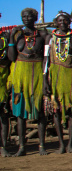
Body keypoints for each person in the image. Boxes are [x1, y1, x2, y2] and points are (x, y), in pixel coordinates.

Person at [8, 8, 48, 156]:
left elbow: (46, 59)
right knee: (20, 114)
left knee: (40, 112)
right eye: (23, 16)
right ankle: (22, 147)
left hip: (37, 73)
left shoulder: (42, 35)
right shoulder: (17, 35)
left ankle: (42, 145)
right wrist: (12, 37)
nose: (26, 19)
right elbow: (12, 58)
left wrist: (45, 78)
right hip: (20, 75)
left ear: (36, 18)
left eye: (29, 16)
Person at [43, 11, 72, 153]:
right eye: (60, 20)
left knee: (71, 110)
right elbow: (46, 61)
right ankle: (61, 144)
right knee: (56, 110)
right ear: (56, 22)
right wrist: (45, 81)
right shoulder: (50, 37)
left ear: (69, 22)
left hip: (71, 76)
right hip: (55, 77)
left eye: (65, 20)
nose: (62, 23)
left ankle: (71, 143)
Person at [0, 16, 12, 157]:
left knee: (3, 115)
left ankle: (3, 146)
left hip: (2, 79)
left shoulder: (5, 38)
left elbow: (10, 58)